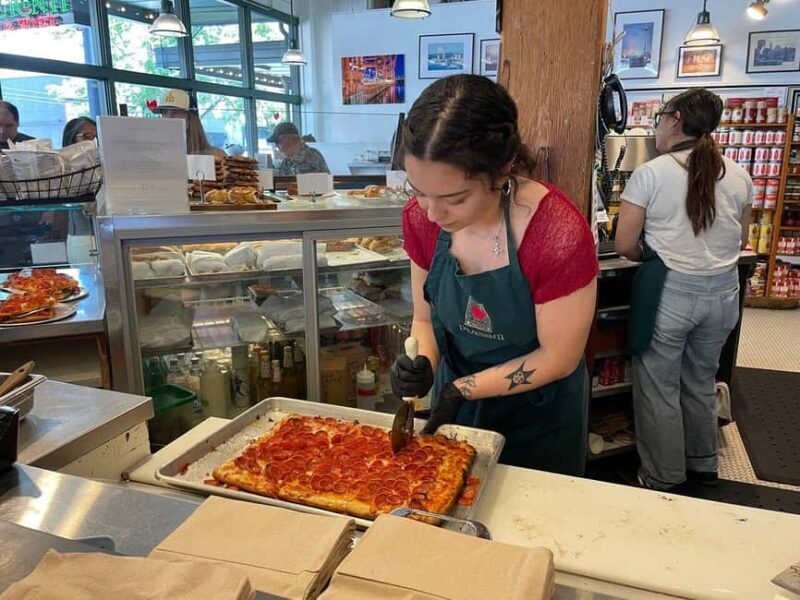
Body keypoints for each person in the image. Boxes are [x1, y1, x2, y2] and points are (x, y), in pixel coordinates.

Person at [391, 75, 598, 474]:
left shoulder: (555, 234)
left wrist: (461, 389)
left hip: (538, 417)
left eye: (455, 199)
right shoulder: (421, 219)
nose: (433, 213)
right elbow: (423, 318)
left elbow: (559, 357)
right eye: (417, 190)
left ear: (501, 172)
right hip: (457, 407)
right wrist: (424, 364)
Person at [615, 88, 752, 491]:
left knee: (659, 385)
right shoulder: (739, 174)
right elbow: (742, 238)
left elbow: (625, 244)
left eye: (660, 117)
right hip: (724, 292)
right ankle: (703, 463)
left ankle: (663, 476)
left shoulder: (651, 174)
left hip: (672, 292)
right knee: (700, 379)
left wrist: (654, 254)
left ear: (674, 119)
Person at [151, 89, 226, 159]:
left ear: (191, 118)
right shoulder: (159, 156)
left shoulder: (216, 156)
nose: (168, 118)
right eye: (164, 113)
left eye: (175, 112)